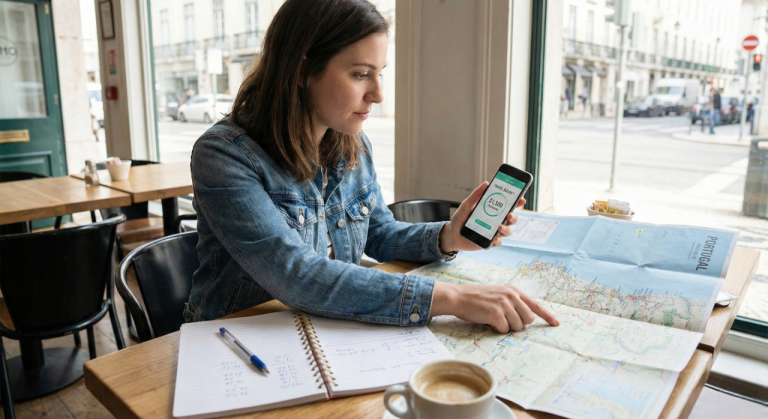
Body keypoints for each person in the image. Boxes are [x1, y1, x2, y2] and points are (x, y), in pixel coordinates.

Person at [186, 0, 559, 334]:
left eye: (379, 73)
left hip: (323, 327)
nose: (378, 94)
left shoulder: (352, 141)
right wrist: (453, 298)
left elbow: (378, 234)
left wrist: (448, 236)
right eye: (361, 74)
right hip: (236, 338)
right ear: (302, 71)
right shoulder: (224, 155)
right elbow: (295, 275)